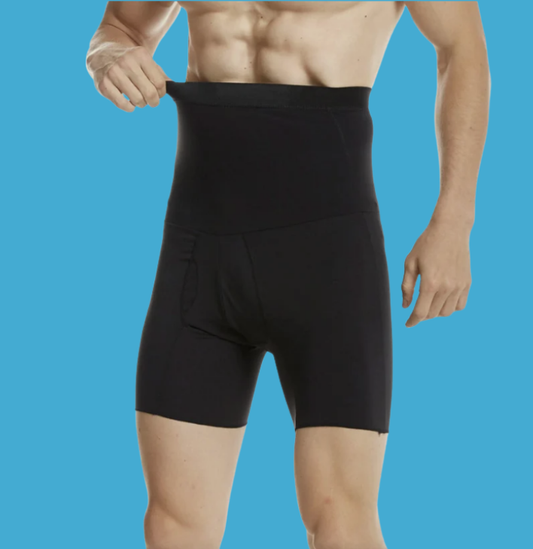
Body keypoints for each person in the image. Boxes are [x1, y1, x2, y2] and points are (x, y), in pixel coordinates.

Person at [86, 2, 490, 548]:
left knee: (340, 517)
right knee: (173, 525)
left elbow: (461, 47)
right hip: (199, 251)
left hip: (328, 256)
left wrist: (455, 220)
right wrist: (109, 56)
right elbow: (120, 26)